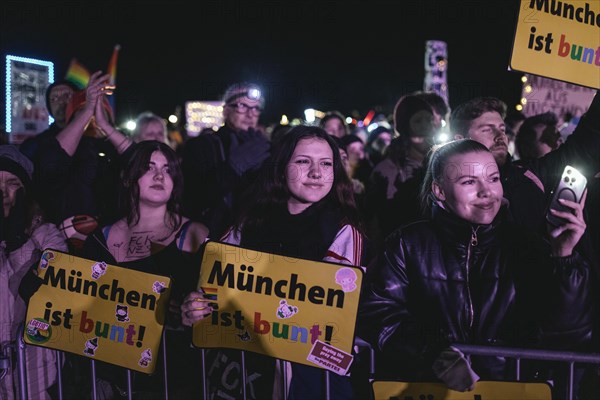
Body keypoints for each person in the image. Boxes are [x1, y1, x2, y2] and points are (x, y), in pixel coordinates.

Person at [358, 139, 592, 394]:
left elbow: (568, 335)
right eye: (469, 182)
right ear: (439, 190)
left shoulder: (526, 244)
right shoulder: (407, 243)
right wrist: (434, 354)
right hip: (430, 390)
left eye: (493, 179)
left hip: (508, 390)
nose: (487, 192)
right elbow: (377, 311)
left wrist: (563, 255)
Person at [181, 125, 365, 399]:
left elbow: (335, 317)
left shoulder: (341, 231)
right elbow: (213, 286)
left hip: (307, 380)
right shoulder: (249, 221)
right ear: (280, 167)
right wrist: (195, 308)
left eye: (326, 163)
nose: (316, 173)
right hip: (243, 372)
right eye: (303, 161)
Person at [81, 140, 209, 398]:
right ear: (128, 177)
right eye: (149, 168)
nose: (160, 175)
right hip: (115, 379)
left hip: (173, 380)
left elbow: (215, 307)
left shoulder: (194, 236)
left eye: (167, 169)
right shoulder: (100, 238)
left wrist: (198, 311)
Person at [30, 71, 133, 254]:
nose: (92, 118)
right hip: (64, 242)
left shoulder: (114, 147)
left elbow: (140, 162)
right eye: (55, 98)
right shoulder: (44, 146)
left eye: (66, 96)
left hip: (115, 241)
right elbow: (50, 166)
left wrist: (105, 126)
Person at [0, 145, 68, 399]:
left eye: (12, 183)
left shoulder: (46, 233)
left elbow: (55, 284)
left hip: (36, 366)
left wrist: (18, 241)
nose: (3, 192)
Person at [181, 82, 270, 238]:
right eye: (242, 106)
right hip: (211, 237)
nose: (250, 114)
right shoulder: (202, 146)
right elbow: (192, 198)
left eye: (255, 108)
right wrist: (232, 168)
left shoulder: (263, 147)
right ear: (226, 110)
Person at [367, 94, 438, 253]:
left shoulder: (441, 163)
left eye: (429, 120)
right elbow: (375, 220)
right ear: (406, 126)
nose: (426, 126)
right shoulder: (387, 169)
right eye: (418, 121)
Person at [20, 80, 78, 161]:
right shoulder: (36, 145)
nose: (61, 101)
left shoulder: (94, 135)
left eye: (67, 96)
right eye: (54, 98)